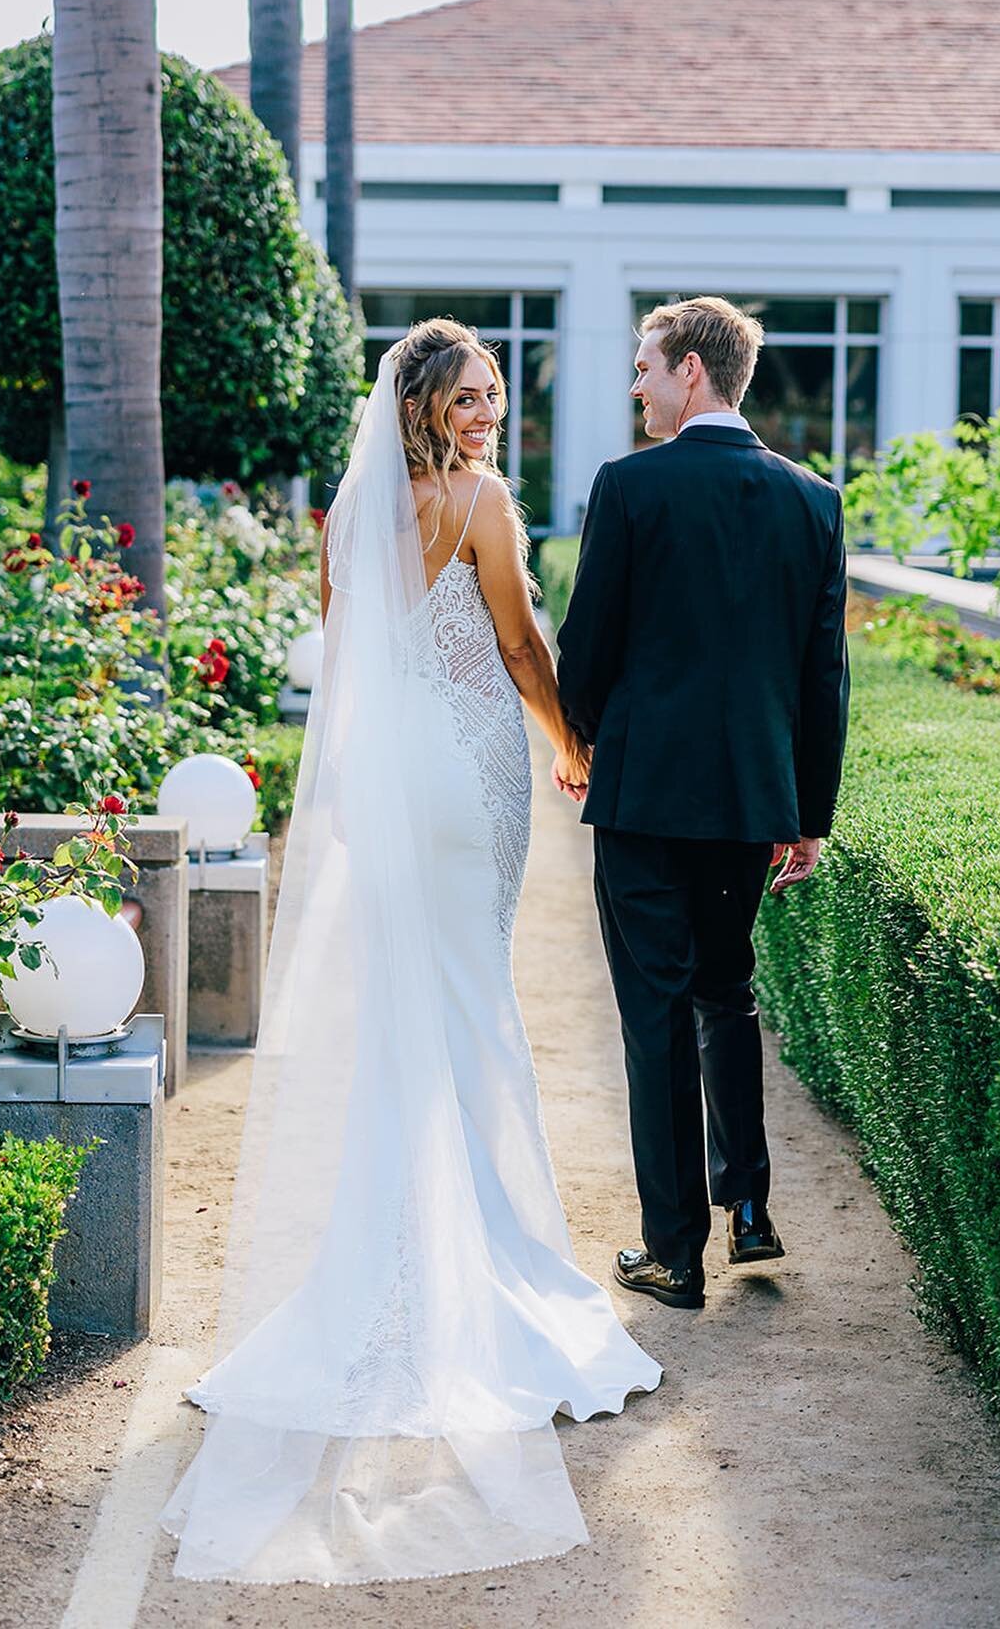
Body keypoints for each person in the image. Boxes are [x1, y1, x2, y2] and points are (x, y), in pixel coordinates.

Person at [161, 319, 660, 1586]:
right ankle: (475, 1261)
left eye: (495, 393)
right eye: (471, 395)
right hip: (474, 770)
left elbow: (349, 659)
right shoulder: (483, 502)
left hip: (392, 785)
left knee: (416, 1009)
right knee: (473, 1004)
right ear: (429, 403)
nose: (488, 412)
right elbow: (514, 646)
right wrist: (570, 743)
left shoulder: (348, 513)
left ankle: (394, 1257)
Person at [557, 295, 850, 1311]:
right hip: (748, 803)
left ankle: (674, 1251)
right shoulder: (813, 500)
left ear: (691, 370)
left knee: (655, 1016)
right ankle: (753, 1211)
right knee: (728, 995)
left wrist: (581, 736)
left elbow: (583, 651)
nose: (634, 384)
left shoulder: (631, 489)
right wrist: (807, 811)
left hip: (643, 801)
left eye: (644, 365)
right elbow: (824, 679)